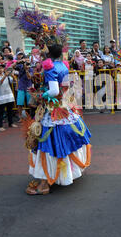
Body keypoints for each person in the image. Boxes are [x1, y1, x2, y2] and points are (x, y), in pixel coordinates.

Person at [26, 44, 92, 195]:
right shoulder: (62, 65)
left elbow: (54, 90)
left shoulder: (50, 68)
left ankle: (45, 182)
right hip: (64, 105)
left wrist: (41, 95)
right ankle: (63, 174)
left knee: (47, 143)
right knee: (62, 138)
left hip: (52, 108)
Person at [0, 63, 17, 131]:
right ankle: (0, 126)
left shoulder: (7, 76)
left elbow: (14, 81)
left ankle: (11, 123)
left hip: (9, 95)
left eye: (2, 68)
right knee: (0, 112)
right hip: (0, 97)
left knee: (10, 111)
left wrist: (12, 75)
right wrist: (5, 76)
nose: (0, 70)